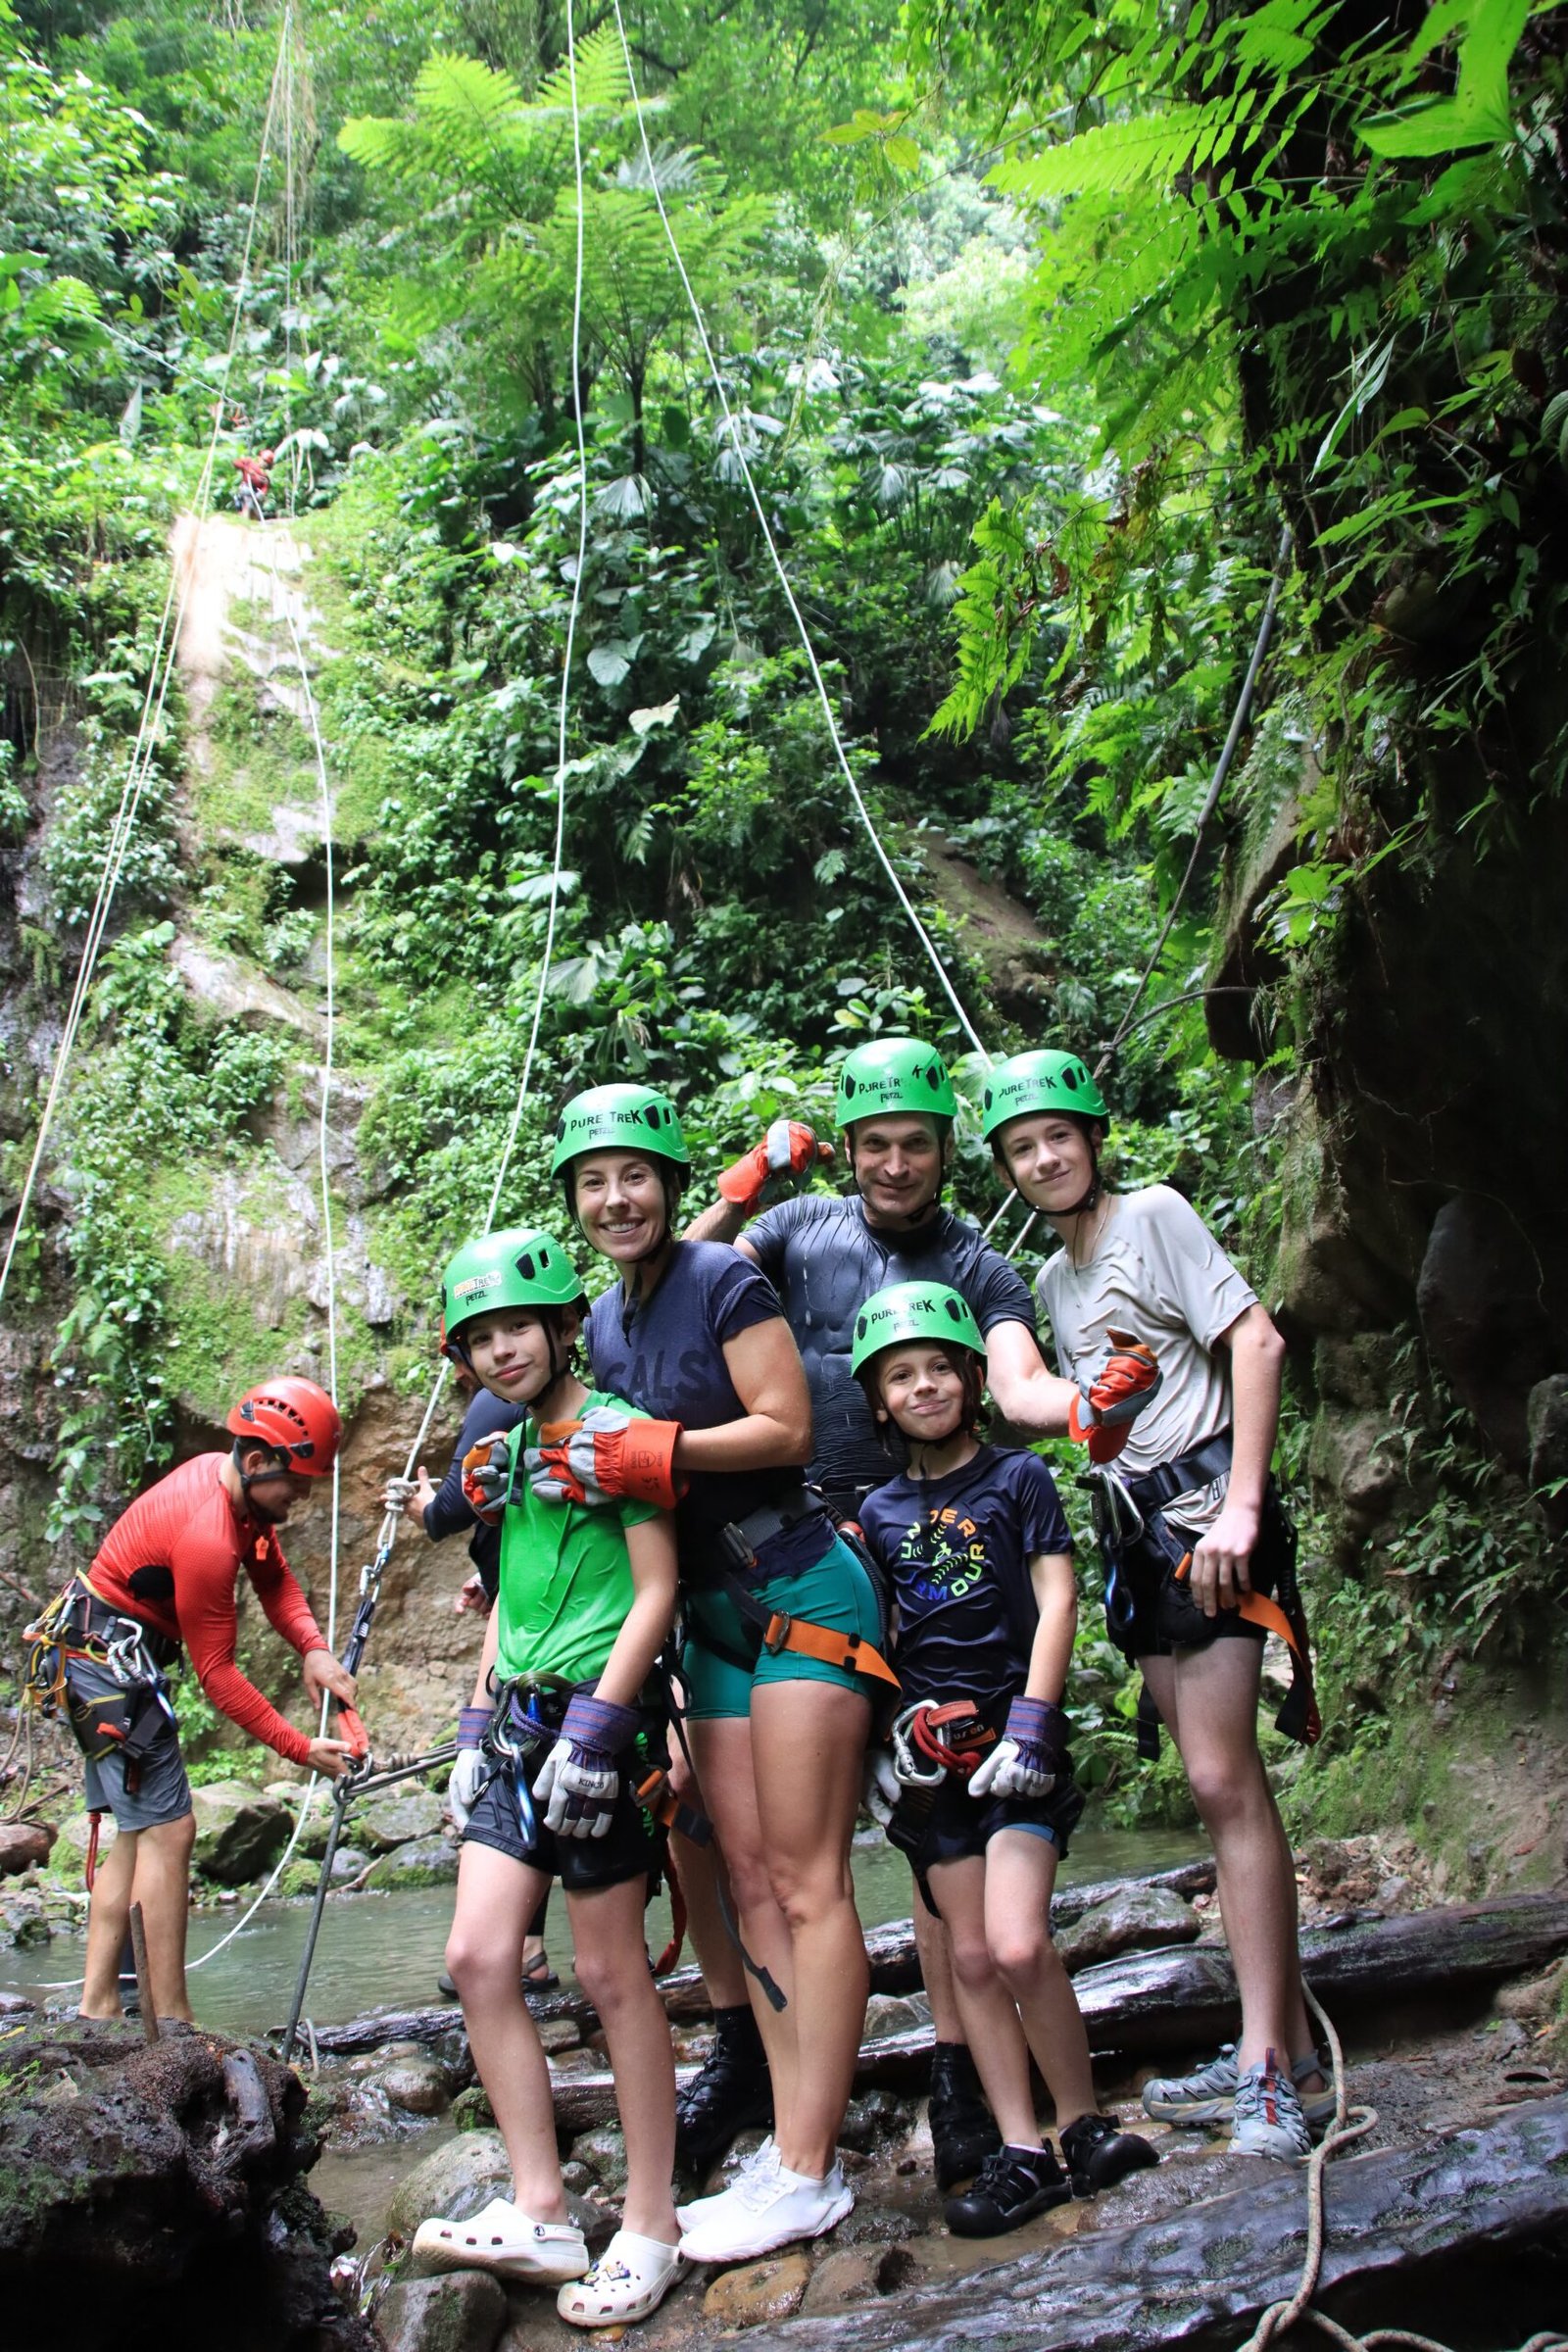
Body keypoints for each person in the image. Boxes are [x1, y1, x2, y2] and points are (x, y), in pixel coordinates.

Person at [683, 1037, 1150, 2190]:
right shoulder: (794, 1233)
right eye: (876, 1146)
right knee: (737, 1829)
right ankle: (756, 2050)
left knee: (930, 1808)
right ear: (848, 1152)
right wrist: (743, 1180)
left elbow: (1016, 1376)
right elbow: (675, 1289)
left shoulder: (980, 1265)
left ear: (947, 1150)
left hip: (923, 1554)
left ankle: (958, 2071)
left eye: (917, 1146)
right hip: (792, 1553)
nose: (896, 1166)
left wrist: (1079, 1406)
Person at [535, 1083, 887, 2264]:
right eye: (593, 1180)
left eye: (633, 1174)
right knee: (744, 1877)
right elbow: (585, 1451)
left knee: (805, 1881)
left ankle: (806, 2164)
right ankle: (796, 2145)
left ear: (671, 1184)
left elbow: (786, 1428)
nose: (615, 1196)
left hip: (795, 1589)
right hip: (711, 1617)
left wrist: (654, 1449)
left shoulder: (722, 1279)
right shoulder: (602, 1321)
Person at [981, 1049, 1330, 2162]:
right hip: (1139, 1537)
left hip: (1204, 1524)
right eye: (1022, 1149)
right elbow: (1085, 1415)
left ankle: (1270, 2066)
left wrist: (1242, 1505)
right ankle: (1275, 2045)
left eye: (1058, 1138)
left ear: (1092, 1139)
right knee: (1205, 1780)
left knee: (1226, 1781)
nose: (1043, 1159)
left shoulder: (1157, 1215)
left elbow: (1255, 1341)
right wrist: (1089, 1408)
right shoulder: (1053, 1284)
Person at [411, 1226, 685, 2327]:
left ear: (564, 1324)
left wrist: (602, 1728)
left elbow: (656, 1589)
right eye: (478, 1339)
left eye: (516, 1327)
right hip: (519, 1723)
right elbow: (513, 1598)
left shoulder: (622, 1437)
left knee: (613, 1979)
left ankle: (653, 2222)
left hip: (596, 1724)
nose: (499, 1351)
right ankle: (542, 2206)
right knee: (480, 1956)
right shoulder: (509, 1454)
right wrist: (477, 1721)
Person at [852, 1281, 1158, 2231]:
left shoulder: (1017, 1478)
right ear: (877, 1400)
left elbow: (1056, 1597)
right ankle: (1022, 2148)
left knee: (1021, 1942)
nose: (925, 1386)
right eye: (901, 1375)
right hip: (935, 1769)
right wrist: (886, 1743)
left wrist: (1035, 1720)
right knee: (974, 1959)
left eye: (940, 1367)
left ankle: (1083, 2125)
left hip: (1015, 1746)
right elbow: (882, 1633)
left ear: (974, 1379)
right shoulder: (873, 1511)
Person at [29, 1376, 358, 2025]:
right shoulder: (209, 1533)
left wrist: (312, 1648)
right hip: (110, 1664)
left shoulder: (235, 1491)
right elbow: (217, 1673)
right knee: (170, 1829)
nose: (304, 1496)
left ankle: (100, 2009)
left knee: (139, 1833)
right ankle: (171, 2019)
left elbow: (273, 1575)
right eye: (298, 1481)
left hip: (95, 1652)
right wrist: (297, 1747)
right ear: (259, 1461)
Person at [384, 1384, 557, 1994]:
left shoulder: (494, 1399)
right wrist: (489, 1576)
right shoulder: (525, 1404)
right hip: (526, 1613)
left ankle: (527, 1946)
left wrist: (424, 1508)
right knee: (529, 1774)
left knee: (517, 1769)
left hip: (540, 1639)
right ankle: (530, 1946)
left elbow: (452, 1507)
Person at [233, 447, 274, 520]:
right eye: (264, 461)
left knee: (253, 508)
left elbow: (265, 487)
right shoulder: (249, 462)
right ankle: (243, 516)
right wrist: (246, 469)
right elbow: (236, 462)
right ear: (259, 458)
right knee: (244, 502)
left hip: (255, 495)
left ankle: (251, 518)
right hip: (245, 489)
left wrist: (262, 493)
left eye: (267, 463)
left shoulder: (264, 476)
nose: (264, 464)